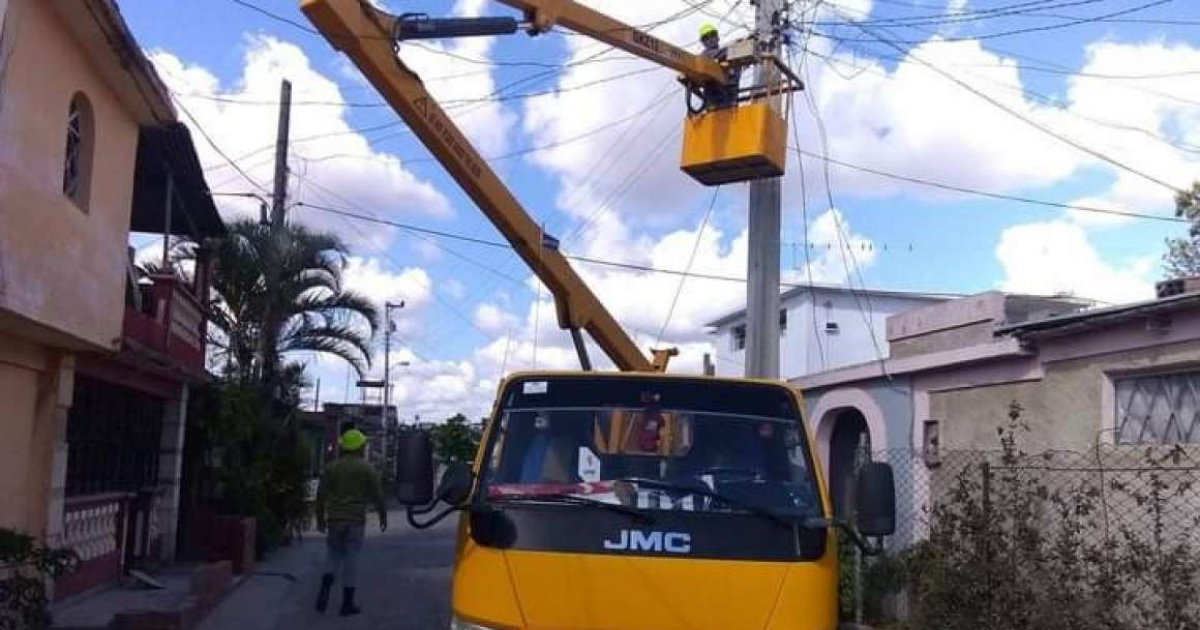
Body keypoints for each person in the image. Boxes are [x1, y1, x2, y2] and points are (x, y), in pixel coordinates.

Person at [314, 429, 388, 616]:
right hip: (355, 520)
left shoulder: (332, 468)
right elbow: (378, 495)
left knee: (333, 555)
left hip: (335, 518)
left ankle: (325, 587)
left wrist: (320, 519)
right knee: (351, 559)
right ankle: (347, 603)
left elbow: (321, 496)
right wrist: (382, 516)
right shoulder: (366, 469)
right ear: (360, 447)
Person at [698, 23, 740, 109]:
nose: (710, 39)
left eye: (712, 36)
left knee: (737, 63)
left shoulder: (725, 56)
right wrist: (737, 46)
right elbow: (720, 53)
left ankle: (731, 99)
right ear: (703, 43)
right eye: (706, 38)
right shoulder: (704, 56)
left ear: (717, 37)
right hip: (714, 100)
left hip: (728, 98)